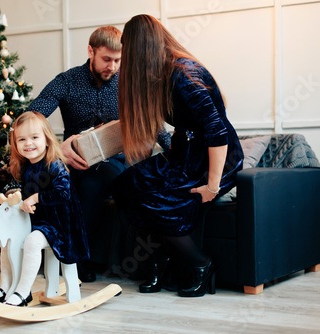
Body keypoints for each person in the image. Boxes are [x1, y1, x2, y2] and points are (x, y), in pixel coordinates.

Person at [112, 14, 244, 297]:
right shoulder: (157, 74)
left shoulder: (183, 74)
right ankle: (161, 258)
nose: (125, 60)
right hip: (184, 152)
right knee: (127, 185)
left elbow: (217, 131)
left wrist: (212, 185)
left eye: (126, 51)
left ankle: (200, 264)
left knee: (158, 198)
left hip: (212, 157)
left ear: (139, 48)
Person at [27, 26, 132, 282]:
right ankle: (36, 253)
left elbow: (154, 122)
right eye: (107, 59)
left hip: (114, 160)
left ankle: (77, 258)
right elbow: (32, 116)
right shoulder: (67, 81)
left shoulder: (128, 82)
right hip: (72, 158)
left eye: (118, 60)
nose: (113, 66)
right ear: (91, 51)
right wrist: (56, 148)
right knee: (50, 182)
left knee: (92, 185)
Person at [0, 111, 89, 307]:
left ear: (47, 140)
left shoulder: (55, 165)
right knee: (7, 240)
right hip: (36, 222)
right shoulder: (25, 166)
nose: (28, 143)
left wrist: (38, 197)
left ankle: (23, 293)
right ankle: (7, 287)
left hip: (60, 226)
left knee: (31, 242)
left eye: (34, 137)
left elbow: (63, 194)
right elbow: (20, 192)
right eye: (21, 139)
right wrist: (11, 198)